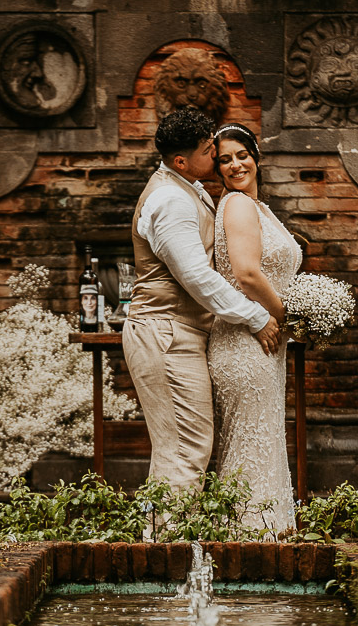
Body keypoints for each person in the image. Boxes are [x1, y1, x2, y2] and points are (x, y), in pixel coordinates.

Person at [123, 106, 281, 491]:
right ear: (181, 160)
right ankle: (164, 548)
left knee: (185, 452)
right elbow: (195, 276)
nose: (217, 155)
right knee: (184, 453)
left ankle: (169, 544)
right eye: (209, 150)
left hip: (180, 333)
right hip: (166, 334)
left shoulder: (185, 187)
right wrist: (255, 316)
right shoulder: (170, 201)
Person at [208, 123, 303, 534]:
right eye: (224, 159)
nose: (235, 164)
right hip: (249, 342)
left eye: (241, 155)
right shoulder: (238, 205)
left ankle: (253, 537)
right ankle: (249, 539)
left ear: (256, 155)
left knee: (257, 444)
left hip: (260, 342)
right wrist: (287, 317)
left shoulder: (255, 206)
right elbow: (246, 274)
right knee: (251, 446)